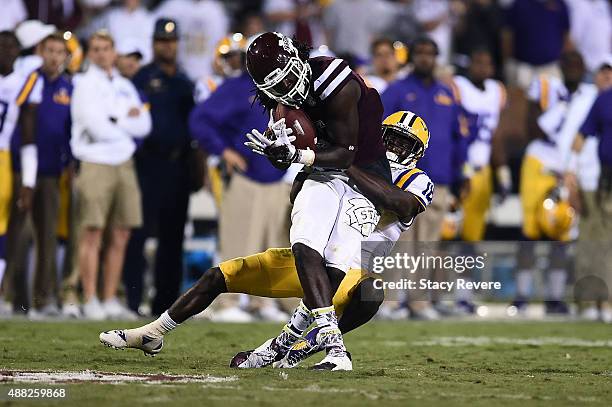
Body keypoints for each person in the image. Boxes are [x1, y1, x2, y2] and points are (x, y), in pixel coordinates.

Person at [100, 110, 433, 370]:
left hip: (351, 271)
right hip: (308, 259)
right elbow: (296, 194)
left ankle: (303, 343)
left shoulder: (416, 179)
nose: (393, 148)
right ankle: (153, 333)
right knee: (219, 276)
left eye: (404, 144)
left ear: (416, 154)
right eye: (390, 139)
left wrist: (341, 164)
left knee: (372, 291)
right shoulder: (352, 159)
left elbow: (400, 203)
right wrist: (310, 165)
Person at [239, 31, 394, 371]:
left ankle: (281, 343)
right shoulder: (277, 99)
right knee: (305, 245)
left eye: (289, 78)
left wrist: (296, 153)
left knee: (336, 267)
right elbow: (290, 152)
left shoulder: (336, 80)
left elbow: (344, 154)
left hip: (364, 174)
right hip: (323, 170)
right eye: (276, 87)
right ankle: (336, 348)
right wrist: (278, 153)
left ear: (299, 60)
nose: (287, 90)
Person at [189, 32, 290, 323]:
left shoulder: (284, 87)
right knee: (238, 242)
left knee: (273, 247)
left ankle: (263, 303)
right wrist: (223, 151)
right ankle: (227, 303)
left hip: (278, 177)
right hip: (247, 177)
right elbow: (200, 119)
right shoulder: (238, 88)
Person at [70, 30, 151, 320]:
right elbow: (93, 125)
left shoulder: (124, 85)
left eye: (106, 48)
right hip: (95, 162)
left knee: (122, 232)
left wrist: (115, 121)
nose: (102, 53)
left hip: (124, 163)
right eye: (96, 48)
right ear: (90, 53)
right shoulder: (83, 83)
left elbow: (144, 124)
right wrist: (122, 123)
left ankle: (108, 298)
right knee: (91, 231)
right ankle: (89, 297)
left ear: (113, 52)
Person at [123, 18, 194, 316]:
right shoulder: (141, 78)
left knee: (172, 237)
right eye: (163, 41)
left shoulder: (185, 81)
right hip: (147, 164)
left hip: (178, 166)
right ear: (154, 44)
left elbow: (194, 128)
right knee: (138, 234)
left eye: (172, 41)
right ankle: (132, 299)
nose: (168, 46)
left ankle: (166, 305)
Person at [513, 50, 591, 315]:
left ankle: (554, 298)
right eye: (568, 63)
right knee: (530, 232)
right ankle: (522, 296)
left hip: (569, 167)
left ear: (584, 68)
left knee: (563, 231)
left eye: (577, 63)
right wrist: (559, 111)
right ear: (560, 66)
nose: (572, 68)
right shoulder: (547, 85)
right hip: (539, 161)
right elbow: (531, 127)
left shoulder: (590, 94)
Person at [9, 32, 72, 319]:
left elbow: (69, 129)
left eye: (61, 52)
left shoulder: (69, 87)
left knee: (47, 236)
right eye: (50, 51)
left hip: (51, 171)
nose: (55, 57)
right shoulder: (29, 80)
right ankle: (13, 298)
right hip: (22, 168)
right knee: (18, 235)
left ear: (66, 57)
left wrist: (69, 162)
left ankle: (43, 298)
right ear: (40, 52)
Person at [565, 58, 612, 321]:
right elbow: (576, 139)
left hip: (603, 181)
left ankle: (605, 302)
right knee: (590, 244)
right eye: (603, 71)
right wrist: (570, 175)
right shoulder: (596, 100)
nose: (607, 76)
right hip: (593, 182)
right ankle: (588, 302)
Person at [0, 30, 41, 315]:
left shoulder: (23, 84)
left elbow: (28, 138)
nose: (5, 51)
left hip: (2, 157)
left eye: (11, 46)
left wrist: (28, 181)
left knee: (2, 227)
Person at [452, 48, 509, 242]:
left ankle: (464, 271)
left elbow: (495, 134)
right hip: (459, 166)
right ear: (469, 65)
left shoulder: (496, 90)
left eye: (487, 63)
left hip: (482, 168)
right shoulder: (457, 86)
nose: (483, 68)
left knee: (474, 233)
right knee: (449, 229)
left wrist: (502, 172)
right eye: (478, 62)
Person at [153, 0, 228, 81]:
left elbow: (221, 43)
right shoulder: (173, 6)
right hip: (178, 74)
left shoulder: (215, 10)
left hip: (208, 76)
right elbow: (155, 31)